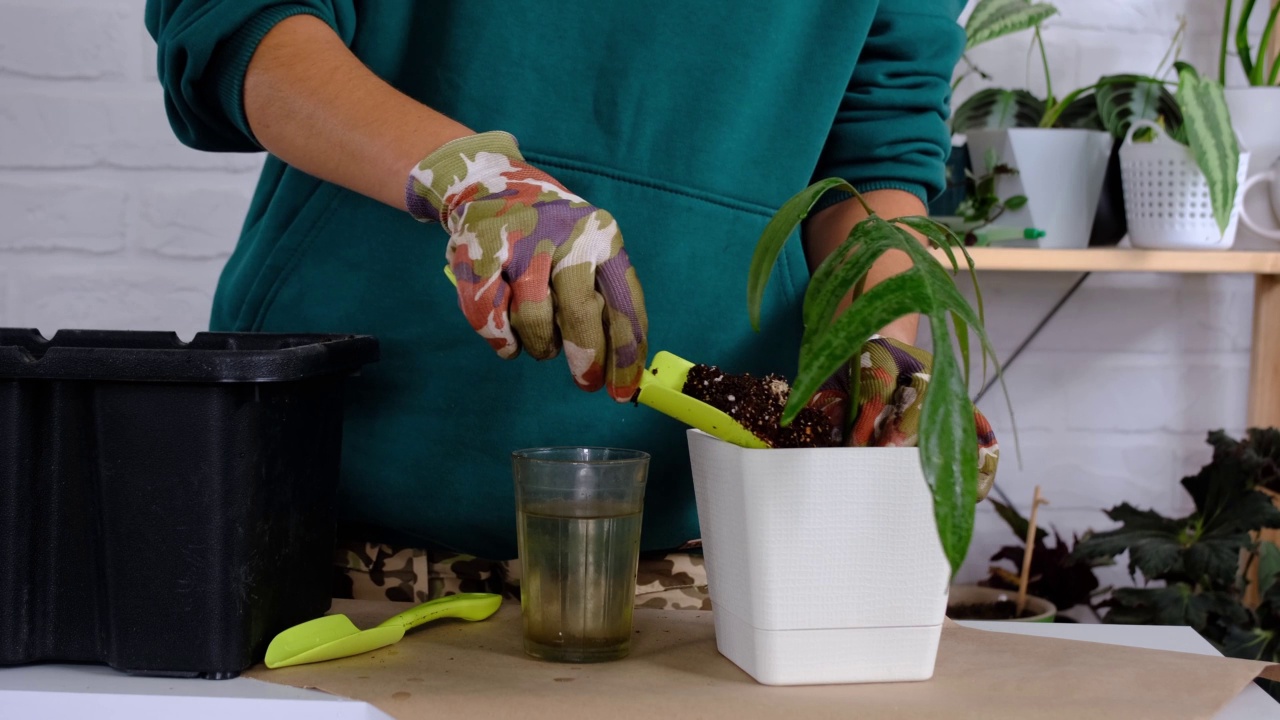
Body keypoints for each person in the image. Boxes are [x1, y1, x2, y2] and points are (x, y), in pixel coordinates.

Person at [145, 0, 995, 607]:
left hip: (702, 550)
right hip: (325, 520)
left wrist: (880, 339)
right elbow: (234, 18)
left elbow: (878, 150)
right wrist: (468, 181)